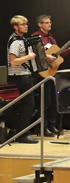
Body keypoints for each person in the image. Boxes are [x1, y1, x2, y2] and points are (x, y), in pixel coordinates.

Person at [6, 15, 43, 144]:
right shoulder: (16, 41)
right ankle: (23, 135)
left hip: (25, 76)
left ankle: (19, 132)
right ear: (15, 26)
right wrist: (29, 57)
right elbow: (13, 61)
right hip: (20, 77)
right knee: (27, 106)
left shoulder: (22, 40)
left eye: (26, 24)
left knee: (26, 106)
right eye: (23, 24)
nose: (26, 26)